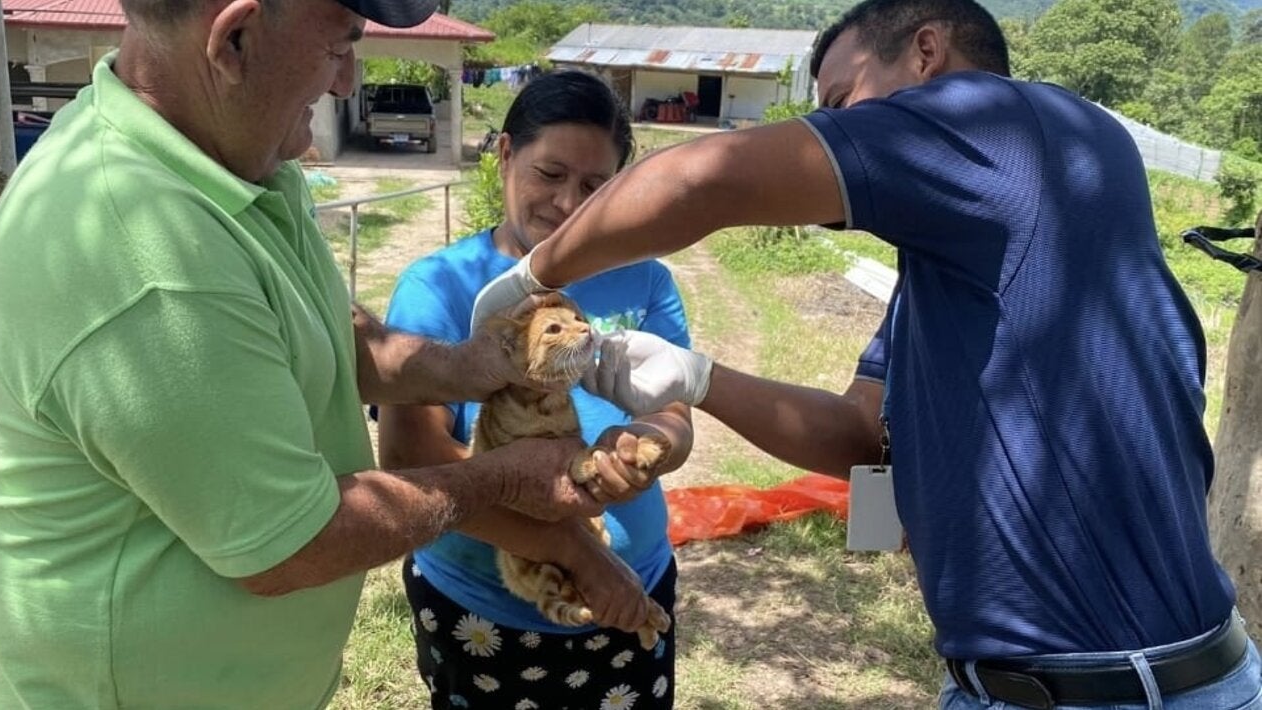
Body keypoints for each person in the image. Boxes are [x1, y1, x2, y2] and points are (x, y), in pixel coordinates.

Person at [468, 0, 1262, 708]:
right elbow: (862, 437)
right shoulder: (948, 268)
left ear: (926, 54)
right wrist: (700, 379)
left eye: (844, 104)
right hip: (1029, 680)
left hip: (1118, 685)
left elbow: (701, 183)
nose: (837, 131)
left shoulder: (1014, 126)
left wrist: (531, 278)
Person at [0, 1, 656, 708]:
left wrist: (468, 367)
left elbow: (335, 332)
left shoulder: (240, 164)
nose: (347, 82)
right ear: (234, 39)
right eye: (338, 48)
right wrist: (503, 480)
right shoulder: (141, 249)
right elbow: (291, 543)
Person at [377, 70, 694, 709]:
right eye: (549, 174)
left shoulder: (646, 282)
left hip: (632, 591)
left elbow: (676, 414)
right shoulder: (438, 287)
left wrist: (643, 447)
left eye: (592, 186)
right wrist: (573, 551)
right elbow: (412, 460)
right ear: (504, 154)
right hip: (484, 612)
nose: (566, 204)